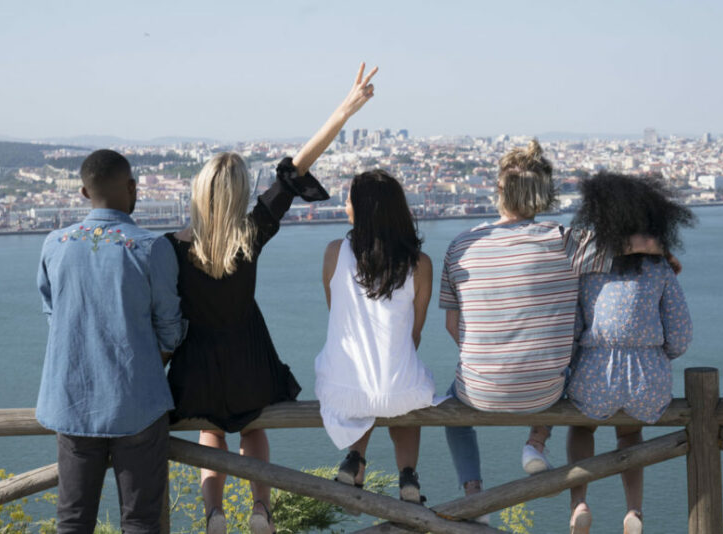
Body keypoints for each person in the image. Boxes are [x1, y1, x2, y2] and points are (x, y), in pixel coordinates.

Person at [165, 63, 378, 534]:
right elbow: (297, 167)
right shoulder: (251, 234)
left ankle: (213, 514)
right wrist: (345, 109)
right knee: (254, 429)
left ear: (198, 194)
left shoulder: (170, 248)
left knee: (209, 432)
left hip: (196, 368)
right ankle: (260, 508)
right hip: (250, 362)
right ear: (240, 192)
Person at [439, 140, 662, 524]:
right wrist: (664, 253)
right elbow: (637, 244)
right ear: (545, 194)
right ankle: (535, 442)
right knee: (569, 371)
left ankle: (474, 498)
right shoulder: (566, 241)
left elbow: (451, 325)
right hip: (545, 391)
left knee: (449, 409)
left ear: (498, 190)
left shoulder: (462, 245)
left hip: (479, 388)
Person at [36, 149, 186, 533]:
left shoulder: (55, 244)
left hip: (71, 402)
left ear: (84, 192)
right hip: (138, 403)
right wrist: (148, 364)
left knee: (72, 519)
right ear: (133, 187)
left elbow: (54, 315)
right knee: (140, 522)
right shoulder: (152, 247)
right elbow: (169, 326)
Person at [564, 172, 694, 534]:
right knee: (629, 434)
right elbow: (682, 334)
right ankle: (634, 511)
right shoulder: (660, 269)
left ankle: (579, 504)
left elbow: (573, 330)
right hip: (647, 378)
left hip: (595, 374)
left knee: (581, 426)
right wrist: (656, 353)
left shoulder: (587, 266)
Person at [314, 169, 436, 504]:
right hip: (398, 394)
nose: (345, 205)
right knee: (405, 381)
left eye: (349, 199)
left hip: (341, 393)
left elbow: (336, 319)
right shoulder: (420, 264)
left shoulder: (333, 253)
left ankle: (355, 458)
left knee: (363, 375)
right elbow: (414, 334)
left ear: (364, 210)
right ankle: (408, 476)